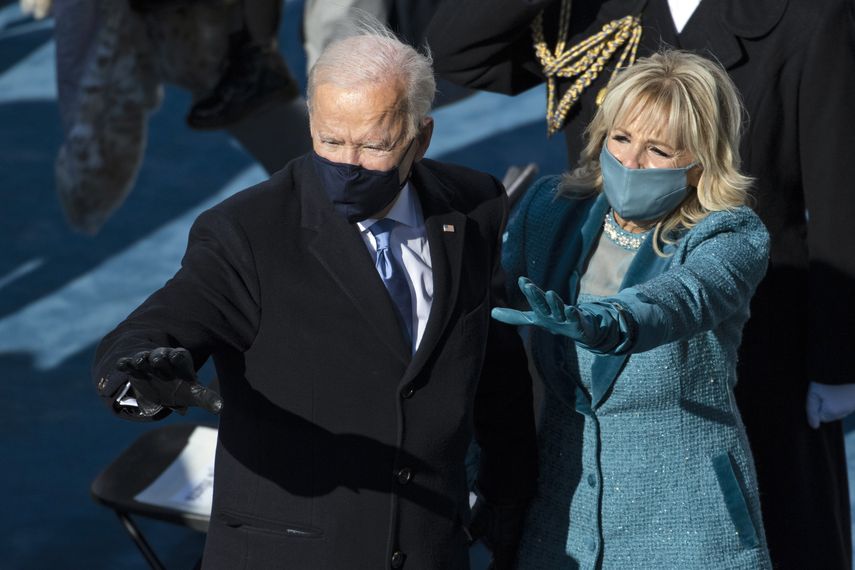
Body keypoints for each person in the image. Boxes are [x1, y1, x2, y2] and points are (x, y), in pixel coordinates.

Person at [427, 1, 855, 567]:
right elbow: (458, 51)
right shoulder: (593, 6)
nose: (633, 159)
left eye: (654, 149)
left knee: (774, 520)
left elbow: (839, 184)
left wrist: (838, 360)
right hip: (576, 312)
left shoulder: (805, 15)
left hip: (750, 322)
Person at [92, 27, 537, 570]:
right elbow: (157, 327)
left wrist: (511, 493)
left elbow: (497, 362)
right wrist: (140, 369)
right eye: (330, 140)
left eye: (373, 146)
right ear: (310, 124)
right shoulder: (247, 231)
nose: (347, 164)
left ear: (421, 138)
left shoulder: (475, 205)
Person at [491, 50, 771, 568]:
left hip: (690, 531)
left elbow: (687, 297)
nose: (631, 162)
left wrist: (610, 321)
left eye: (658, 149)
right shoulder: (550, 208)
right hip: (561, 526)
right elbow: (486, 298)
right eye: (621, 138)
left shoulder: (729, 235)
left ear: (701, 163)